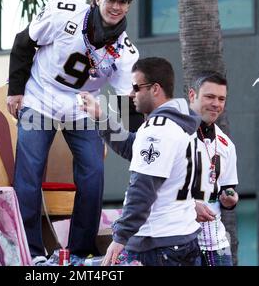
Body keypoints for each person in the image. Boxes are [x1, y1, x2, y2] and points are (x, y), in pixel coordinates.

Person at [6, 0, 139, 263]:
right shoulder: (64, 14)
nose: (115, 7)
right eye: (110, 0)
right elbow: (23, 41)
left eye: (122, 2)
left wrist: (143, 143)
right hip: (40, 95)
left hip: (82, 106)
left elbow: (129, 101)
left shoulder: (125, 52)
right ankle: (31, 252)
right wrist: (15, 91)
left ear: (128, 7)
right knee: (29, 170)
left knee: (93, 173)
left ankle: (80, 250)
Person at [80, 57, 202, 266]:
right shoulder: (180, 122)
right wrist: (100, 116)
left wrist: (120, 238)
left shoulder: (158, 129)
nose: (131, 93)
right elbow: (132, 148)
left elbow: (143, 188)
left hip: (158, 245)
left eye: (136, 87)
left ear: (155, 89)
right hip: (182, 237)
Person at [188, 71, 239, 266]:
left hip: (216, 240)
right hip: (178, 239)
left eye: (221, 98)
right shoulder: (173, 132)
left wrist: (231, 199)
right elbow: (154, 186)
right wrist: (191, 206)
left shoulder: (227, 144)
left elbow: (228, 188)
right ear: (192, 95)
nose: (216, 104)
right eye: (209, 96)